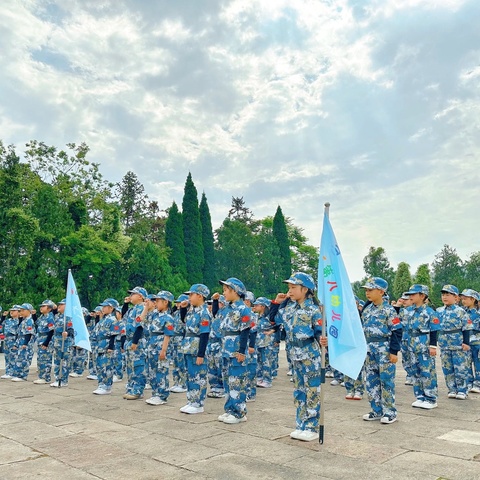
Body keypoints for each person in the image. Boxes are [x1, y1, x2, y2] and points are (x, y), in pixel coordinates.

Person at [271, 272, 326, 441]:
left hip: (310, 355)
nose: (290, 291)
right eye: (289, 288)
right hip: (294, 356)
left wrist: (324, 340)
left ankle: (311, 426)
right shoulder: (289, 308)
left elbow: (319, 332)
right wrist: (277, 302)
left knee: (312, 390)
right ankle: (300, 423)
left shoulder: (314, 310)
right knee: (298, 390)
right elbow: (274, 320)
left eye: (294, 288)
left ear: (305, 290)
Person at [361, 277, 402, 424]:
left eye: (370, 290)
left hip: (384, 349)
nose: (367, 293)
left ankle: (390, 412)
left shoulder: (389, 310)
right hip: (369, 350)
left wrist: (394, 352)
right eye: (366, 290)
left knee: (386, 382)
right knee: (371, 381)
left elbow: (397, 331)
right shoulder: (367, 309)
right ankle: (376, 410)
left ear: (381, 291)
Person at [217, 277, 252, 424]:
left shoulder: (243, 308)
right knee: (227, 381)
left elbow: (245, 331)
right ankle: (230, 409)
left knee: (237, 381)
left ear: (236, 291)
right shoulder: (226, 308)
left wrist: (242, 351)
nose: (223, 293)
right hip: (226, 349)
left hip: (237, 349)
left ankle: (239, 412)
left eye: (226, 290)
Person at [402, 285, 440, 409]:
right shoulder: (408, 311)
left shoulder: (430, 312)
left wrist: (433, 346)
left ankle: (431, 398)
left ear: (422, 296)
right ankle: (420, 396)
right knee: (414, 371)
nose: (410, 296)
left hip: (424, 345)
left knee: (427, 371)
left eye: (413, 294)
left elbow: (434, 330)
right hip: (411, 345)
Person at [180, 283, 211, 414]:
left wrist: (201, 354)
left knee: (199, 376)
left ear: (199, 296)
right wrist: (182, 309)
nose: (189, 298)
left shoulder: (204, 313)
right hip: (188, 347)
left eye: (191, 295)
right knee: (190, 375)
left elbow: (204, 334)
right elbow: (185, 323)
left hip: (197, 348)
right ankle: (191, 400)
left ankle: (198, 403)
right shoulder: (192, 311)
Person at [437, 285, 472, 400]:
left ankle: (462, 390)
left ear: (456, 297)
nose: (445, 297)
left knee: (460, 367)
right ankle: (452, 389)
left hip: (458, 343)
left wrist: (466, 343)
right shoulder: (439, 311)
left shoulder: (461, 311)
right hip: (444, 344)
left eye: (448, 295)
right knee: (447, 367)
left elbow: (466, 328)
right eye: (443, 295)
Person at [143, 290, 175, 405]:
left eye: (158, 301)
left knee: (161, 371)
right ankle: (155, 393)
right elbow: (141, 320)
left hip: (161, 346)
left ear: (165, 302)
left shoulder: (168, 318)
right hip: (152, 346)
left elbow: (168, 334)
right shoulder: (154, 315)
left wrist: (164, 350)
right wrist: (146, 307)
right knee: (152, 372)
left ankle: (162, 395)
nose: (155, 303)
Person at [123, 286, 147, 400]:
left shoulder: (142, 308)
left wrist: (135, 341)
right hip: (129, 340)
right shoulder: (132, 309)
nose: (130, 296)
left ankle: (138, 390)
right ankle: (131, 387)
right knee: (130, 366)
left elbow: (140, 326)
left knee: (138, 366)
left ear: (140, 297)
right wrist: (126, 304)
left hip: (137, 341)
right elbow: (123, 317)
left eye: (133, 294)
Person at [93, 298, 120, 395]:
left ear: (111, 308)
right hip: (99, 345)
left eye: (105, 306)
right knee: (100, 366)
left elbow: (114, 334)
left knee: (107, 366)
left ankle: (107, 386)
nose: (103, 308)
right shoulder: (102, 319)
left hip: (107, 344)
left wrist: (111, 347)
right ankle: (101, 384)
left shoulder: (113, 320)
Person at [46, 299, 74, 387]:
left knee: (64, 362)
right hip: (57, 342)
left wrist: (68, 333)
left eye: (62, 305)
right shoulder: (58, 316)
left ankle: (63, 380)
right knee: (57, 361)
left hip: (65, 343)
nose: (59, 306)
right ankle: (57, 378)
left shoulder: (69, 317)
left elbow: (72, 329)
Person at [460, 289, 480, 393]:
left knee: (478, 362)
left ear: (473, 299)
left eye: (466, 298)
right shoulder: (461, 312)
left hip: (477, 342)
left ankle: (478, 383)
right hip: (466, 342)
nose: (463, 301)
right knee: (466, 363)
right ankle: (469, 382)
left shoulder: (478, 313)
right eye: (462, 298)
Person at [207, 293, 226, 398]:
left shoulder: (225, 314)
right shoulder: (214, 315)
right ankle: (215, 387)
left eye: (218, 303)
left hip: (220, 343)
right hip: (211, 344)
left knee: (220, 367)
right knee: (212, 367)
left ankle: (222, 387)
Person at [11, 303, 36, 382]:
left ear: (29, 311)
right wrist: (16, 344)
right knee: (20, 358)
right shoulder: (24, 320)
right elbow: (19, 333)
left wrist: (25, 343)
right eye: (20, 311)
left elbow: (28, 333)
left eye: (23, 310)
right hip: (20, 342)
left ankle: (23, 376)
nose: (21, 312)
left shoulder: (29, 321)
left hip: (26, 343)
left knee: (25, 359)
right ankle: (18, 374)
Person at [252, 297, 273, 388]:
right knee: (259, 361)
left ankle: (267, 380)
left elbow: (276, 327)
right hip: (258, 342)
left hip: (267, 343)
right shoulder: (257, 317)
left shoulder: (269, 317)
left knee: (266, 361)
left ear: (263, 306)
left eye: (257, 305)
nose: (255, 307)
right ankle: (260, 377)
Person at [33, 300, 56, 384]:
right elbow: (37, 323)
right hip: (40, 340)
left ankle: (46, 377)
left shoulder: (50, 317)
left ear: (49, 308)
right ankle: (41, 376)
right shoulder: (42, 316)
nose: (41, 308)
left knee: (46, 359)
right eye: (41, 306)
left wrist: (46, 342)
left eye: (43, 306)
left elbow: (51, 331)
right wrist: (34, 315)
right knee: (40, 359)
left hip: (46, 340)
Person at [169, 294, 188, 393]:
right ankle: (176, 382)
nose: (177, 304)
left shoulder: (185, 314)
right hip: (174, 340)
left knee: (182, 363)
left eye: (179, 302)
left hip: (181, 339)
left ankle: (183, 383)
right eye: (177, 302)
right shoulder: (175, 313)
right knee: (175, 362)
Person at [1, 305, 21, 379]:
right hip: (7, 340)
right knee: (7, 356)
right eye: (11, 310)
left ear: (19, 312)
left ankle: (13, 373)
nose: (11, 312)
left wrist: (16, 343)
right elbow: (1, 324)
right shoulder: (8, 320)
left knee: (14, 357)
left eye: (14, 310)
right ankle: (8, 372)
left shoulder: (20, 321)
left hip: (14, 340)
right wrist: (3, 316)